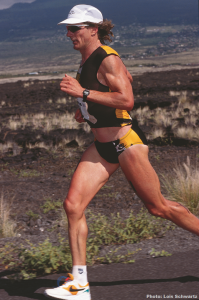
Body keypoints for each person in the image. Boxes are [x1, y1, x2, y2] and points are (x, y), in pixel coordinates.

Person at [44, 4, 199, 300]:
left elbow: (126, 99)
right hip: (102, 146)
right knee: (73, 206)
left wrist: (83, 93)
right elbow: (108, 98)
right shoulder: (86, 59)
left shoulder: (108, 58)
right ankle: (79, 284)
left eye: (74, 28)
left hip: (125, 142)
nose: (69, 33)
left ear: (93, 29)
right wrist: (86, 110)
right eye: (68, 28)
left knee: (159, 208)